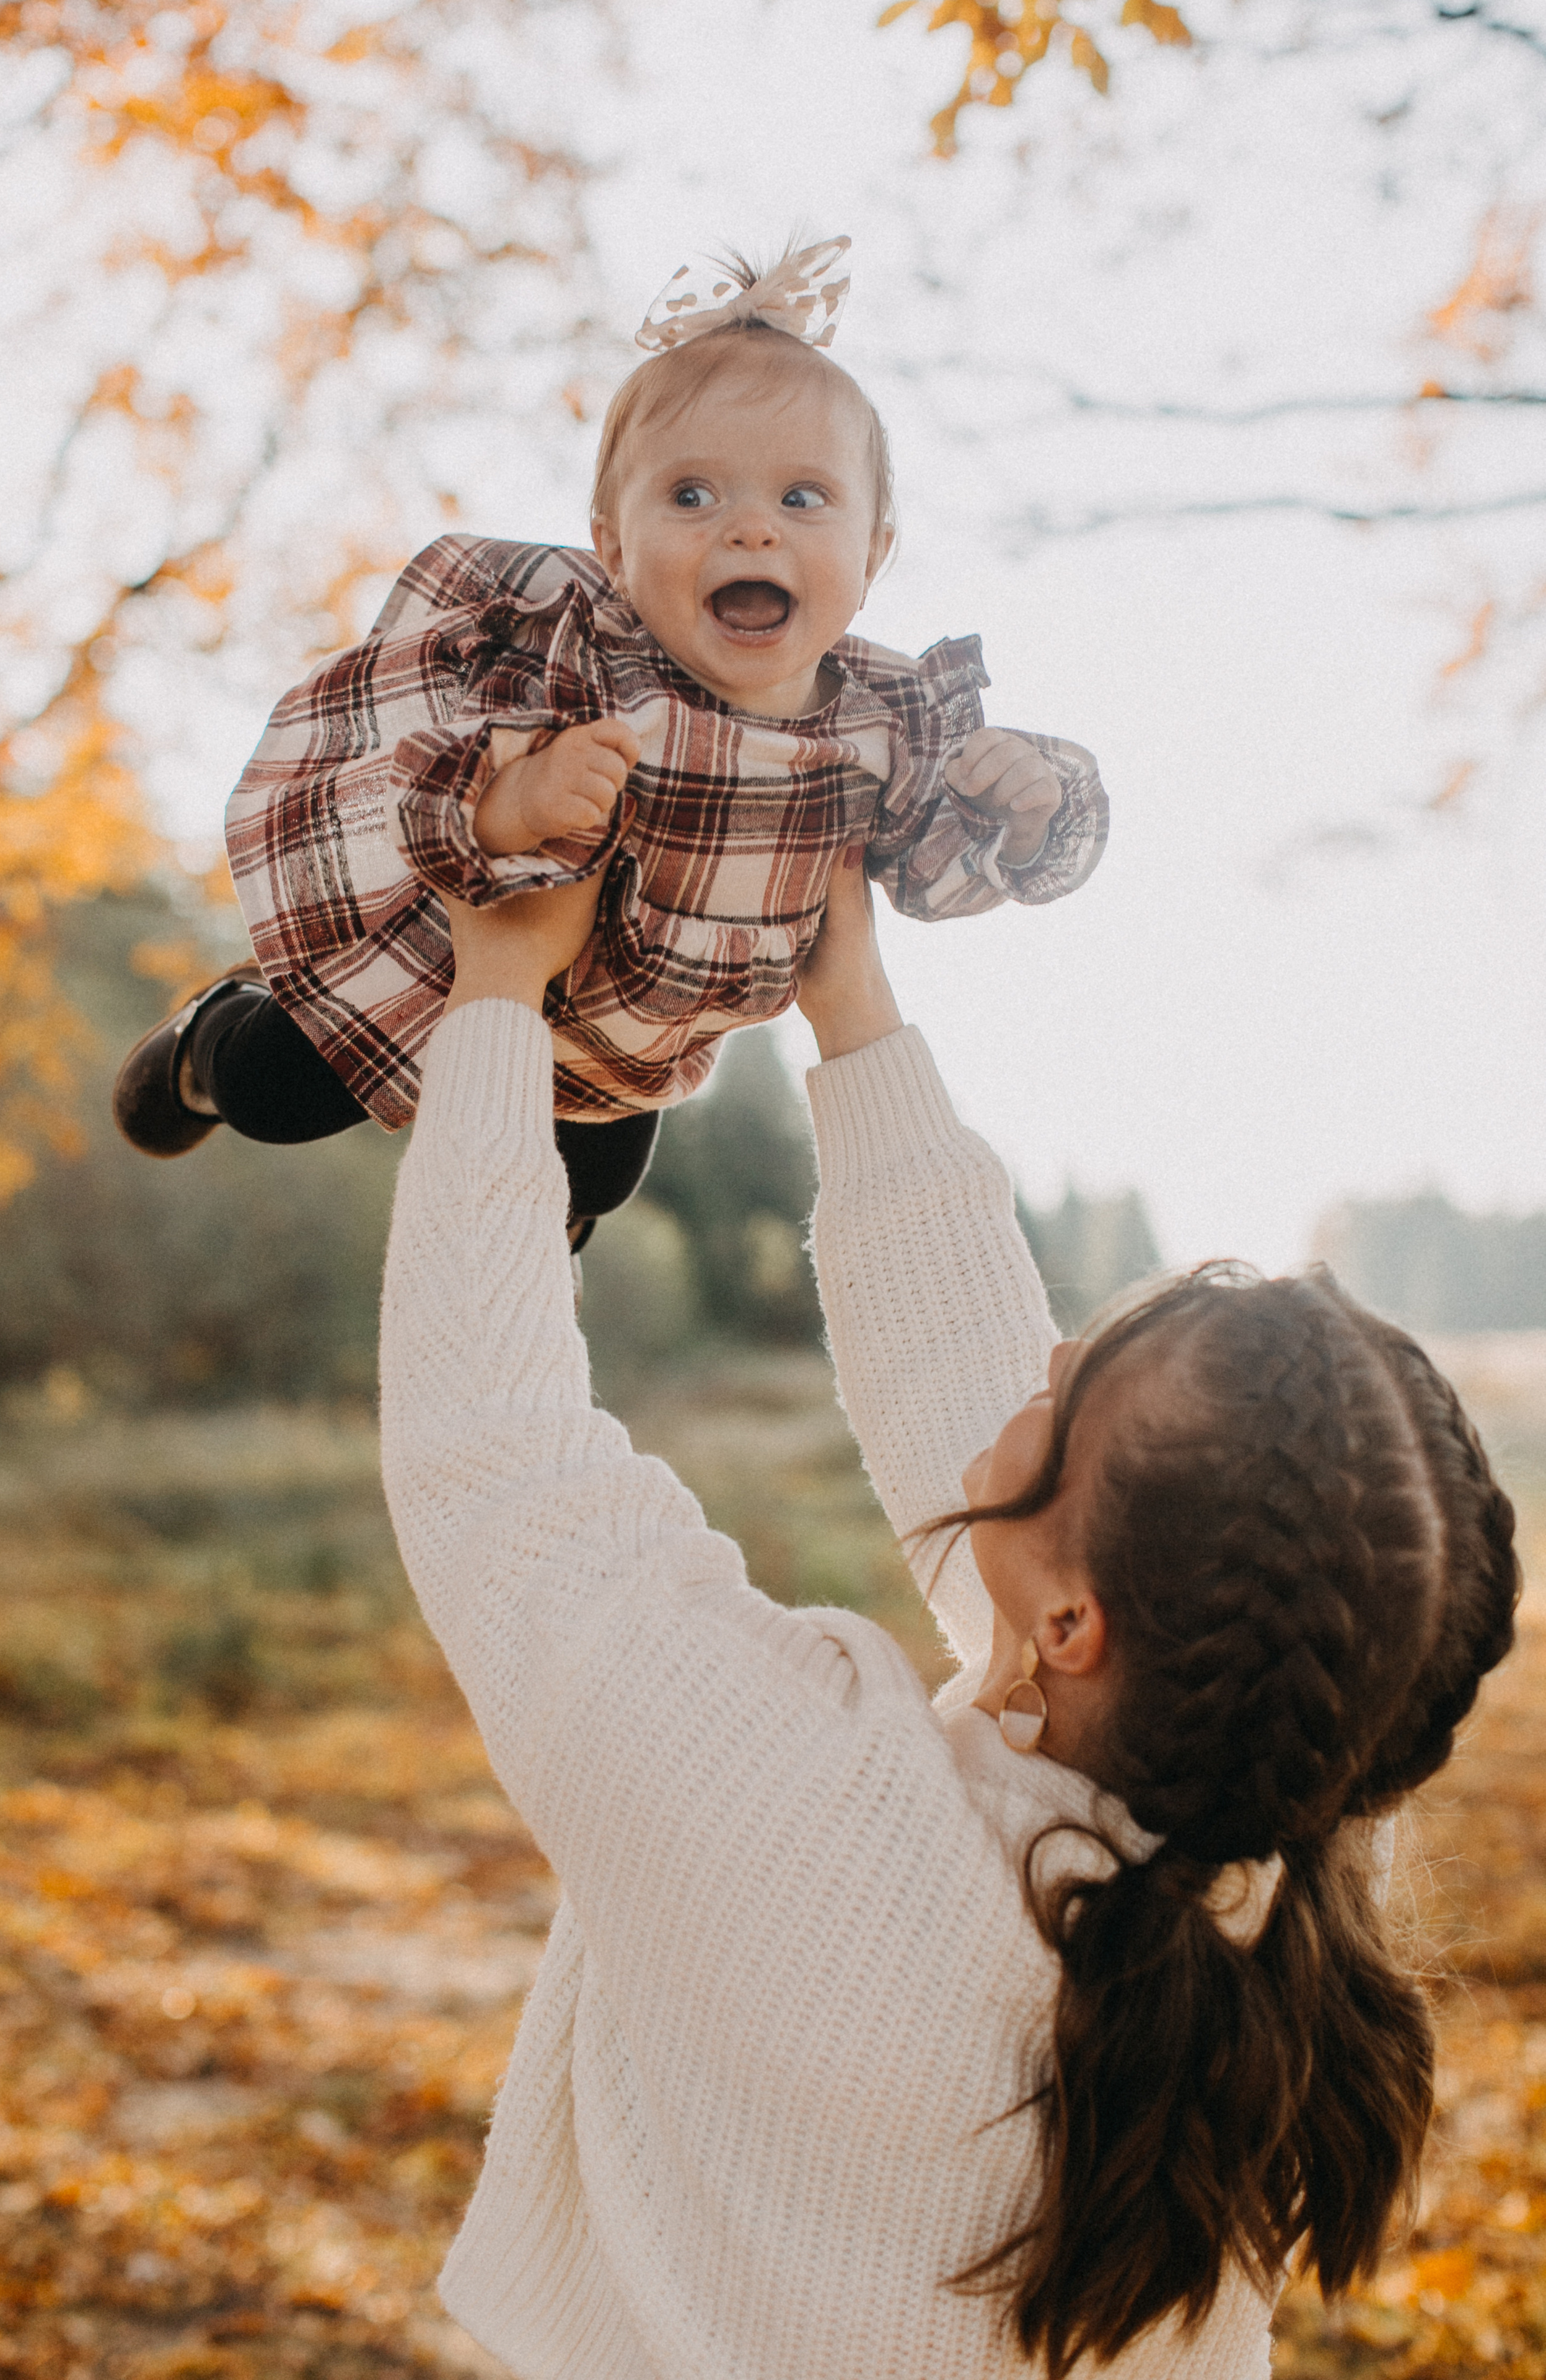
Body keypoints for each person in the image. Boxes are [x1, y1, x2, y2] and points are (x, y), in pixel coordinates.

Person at [376, 855, 1518, 2380]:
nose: (1038, 1363)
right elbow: (988, 1434)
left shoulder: (794, 1815)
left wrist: (500, 996)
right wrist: (855, 1024)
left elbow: (498, 1462)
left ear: (1070, 1628)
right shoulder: (1272, 1848)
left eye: (1075, 1396)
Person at [113, 236, 1107, 1249]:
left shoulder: (888, 724)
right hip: (453, 971)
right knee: (278, 1092)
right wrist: (515, 802)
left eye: (802, 498)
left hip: (636, 1041)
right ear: (614, 545)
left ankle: (531, 1243)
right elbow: (426, 779)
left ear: (876, 549)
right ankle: (208, 1044)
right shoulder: (582, 661)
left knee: (598, 1183)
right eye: (692, 496)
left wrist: (1020, 817)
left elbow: (937, 876)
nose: (752, 530)